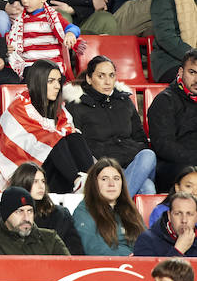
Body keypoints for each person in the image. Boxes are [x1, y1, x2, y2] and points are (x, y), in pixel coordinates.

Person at [0, 60, 95, 196]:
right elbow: (11, 146)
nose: (57, 86)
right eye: (51, 81)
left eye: (59, 81)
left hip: (54, 171)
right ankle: (78, 181)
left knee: (74, 137)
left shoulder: (61, 111)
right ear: (38, 82)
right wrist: (51, 139)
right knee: (54, 139)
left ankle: (92, 182)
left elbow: (68, 134)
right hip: (25, 173)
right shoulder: (18, 108)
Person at [67, 55, 156, 195]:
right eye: (101, 76)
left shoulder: (124, 101)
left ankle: (114, 206)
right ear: (89, 79)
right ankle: (118, 203)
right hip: (103, 169)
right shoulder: (77, 105)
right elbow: (76, 145)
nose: (108, 82)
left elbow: (140, 137)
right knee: (148, 187)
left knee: (148, 155)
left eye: (111, 75)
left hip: (131, 165)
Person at [71, 157, 146, 256]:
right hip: (107, 267)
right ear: (94, 183)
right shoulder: (84, 211)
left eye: (116, 178)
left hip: (138, 267)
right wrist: (127, 258)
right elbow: (93, 248)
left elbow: (146, 243)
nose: (111, 184)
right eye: (104, 179)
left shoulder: (131, 209)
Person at [148, 50, 197, 190]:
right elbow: (164, 145)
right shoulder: (164, 100)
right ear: (181, 72)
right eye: (192, 72)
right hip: (173, 166)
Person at [0, 184, 71, 255]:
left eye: (30, 211)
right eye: (20, 211)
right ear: (6, 215)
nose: (26, 218)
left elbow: (70, 271)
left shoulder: (51, 238)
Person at [134, 191, 197, 258]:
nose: (184, 220)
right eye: (178, 213)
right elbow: (147, 268)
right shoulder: (146, 240)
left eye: (189, 214)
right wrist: (178, 250)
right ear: (169, 216)